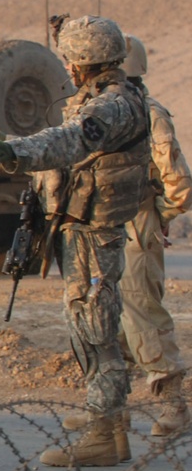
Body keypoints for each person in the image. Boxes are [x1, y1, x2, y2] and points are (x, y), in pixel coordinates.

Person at [0, 15, 150, 467]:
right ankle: (110, 424)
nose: (67, 67)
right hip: (78, 228)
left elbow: (72, 140)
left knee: (95, 332)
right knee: (90, 327)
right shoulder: (99, 98)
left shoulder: (114, 106)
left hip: (94, 234)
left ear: (83, 63)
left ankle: (103, 434)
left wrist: (18, 152)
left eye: (71, 58)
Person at [62, 35, 190, 437]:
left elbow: (179, 185)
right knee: (103, 321)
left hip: (134, 225)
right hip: (100, 227)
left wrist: (156, 217)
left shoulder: (147, 114)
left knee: (140, 315)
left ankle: (174, 404)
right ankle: (109, 410)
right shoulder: (94, 111)